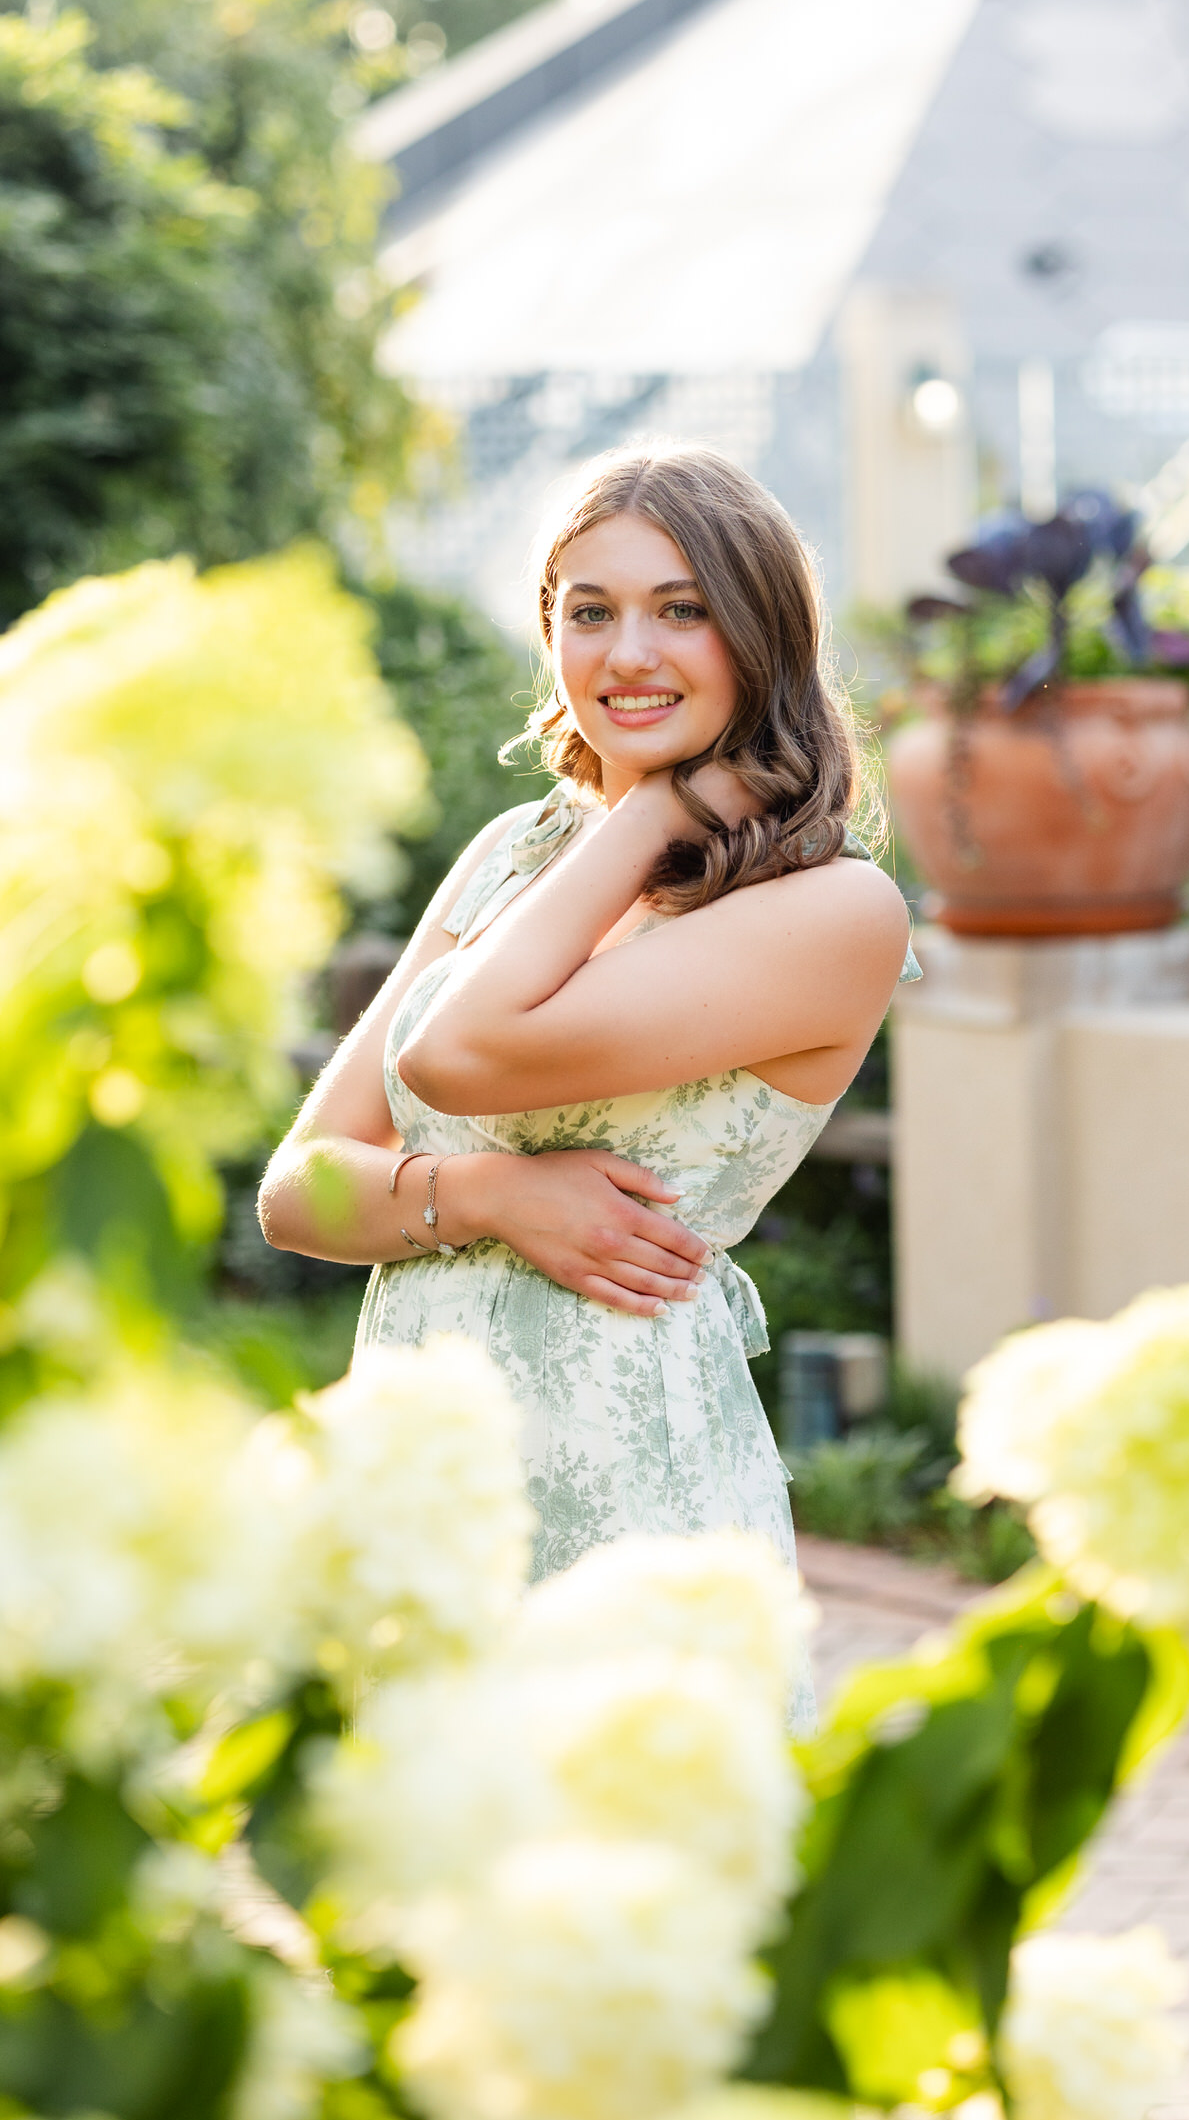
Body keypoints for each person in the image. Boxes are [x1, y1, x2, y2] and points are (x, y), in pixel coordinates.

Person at [259, 446, 913, 1703]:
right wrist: (494, 1198)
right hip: (420, 1484)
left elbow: (456, 1052)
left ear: (761, 635)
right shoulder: (516, 853)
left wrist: (654, 818)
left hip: (630, 1495)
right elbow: (298, 1189)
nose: (628, 655)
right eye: (589, 611)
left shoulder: (834, 911)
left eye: (683, 609)